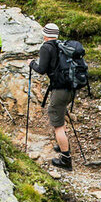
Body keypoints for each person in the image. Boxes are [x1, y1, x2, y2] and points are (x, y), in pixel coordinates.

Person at [29, 22, 72, 170]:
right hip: (71, 88)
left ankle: (66, 159)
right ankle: (62, 145)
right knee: (60, 114)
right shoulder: (62, 45)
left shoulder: (46, 47)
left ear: (45, 35)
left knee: (57, 124)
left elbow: (41, 69)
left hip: (60, 89)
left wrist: (31, 63)